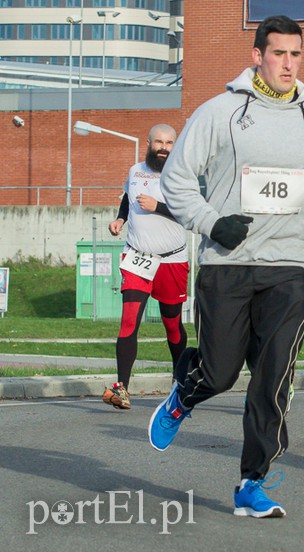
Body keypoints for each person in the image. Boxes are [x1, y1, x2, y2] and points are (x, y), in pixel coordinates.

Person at [147, 15, 304, 519]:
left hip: (290, 266)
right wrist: (212, 223)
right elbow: (176, 181)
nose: (288, 63)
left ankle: (251, 483)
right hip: (228, 264)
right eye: (278, 53)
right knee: (219, 372)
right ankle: (184, 394)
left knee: (273, 375)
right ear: (258, 55)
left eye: (296, 54)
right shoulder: (219, 112)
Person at [102, 124, 187, 410]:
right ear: (148, 143)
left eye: (169, 143)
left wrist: (158, 207)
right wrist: (120, 220)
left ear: (175, 145)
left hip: (172, 260)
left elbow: (192, 214)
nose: (164, 147)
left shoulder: (183, 173)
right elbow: (128, 198)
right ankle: (121, 387)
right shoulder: (135, 170)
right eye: (158, 142)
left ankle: (179, 379)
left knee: (172, 324)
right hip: (138, 257)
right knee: (129, 321)